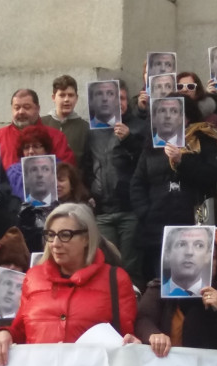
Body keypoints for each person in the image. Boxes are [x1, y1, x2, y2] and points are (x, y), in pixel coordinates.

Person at [0, 204, 138, 366]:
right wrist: (4, 333)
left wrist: (133, 343)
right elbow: (21, 330)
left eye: (65, 235)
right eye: (50, 235)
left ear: (86, 238)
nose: (55, 243)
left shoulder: (116, 279)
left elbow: (126, 338)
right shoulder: (33, 277)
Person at [133, 95, 217, 282]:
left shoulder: (204, 138)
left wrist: (182, 160)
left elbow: (213, 175)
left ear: (187, 117)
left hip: (193, 224)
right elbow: (137, 183)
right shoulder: (152, 146)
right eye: (163, 112)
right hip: (157, 228)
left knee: (193, 282)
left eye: (174, 112)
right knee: (160, 284)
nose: (168, 117)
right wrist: (145, 212)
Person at [137, 228, 217, 354]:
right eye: (184, 248)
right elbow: (143, 319)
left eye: (212, 257)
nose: (194, 258)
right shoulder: (160, 290)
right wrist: (153, 335)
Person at [87, 82, 147, 288]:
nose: (117, 103)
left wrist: (129, 139)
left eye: (121, 98)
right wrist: (88, 193)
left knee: (130, 265)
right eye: (113, 98)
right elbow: (86, 165)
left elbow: (146, 160)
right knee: (107, 265)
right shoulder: (93, 131)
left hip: (129, 209)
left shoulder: (139, 126)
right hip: (103, 211)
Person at [0, 89, 75, 172]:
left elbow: (67, 173)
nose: (21, 112)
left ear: (37, 109)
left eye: (27, 107)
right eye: (17, 108)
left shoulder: (56, 137)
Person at [40, 74, 89, 166]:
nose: (66, 99)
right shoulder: (41, 124)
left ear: (76, 98)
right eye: (62, 95)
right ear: (54, 98)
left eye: (70, 95)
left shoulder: (85, 128)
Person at [161, 226, 213, 297]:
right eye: (181, 244)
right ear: (167, 253)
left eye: (199, 245)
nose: (189, 252)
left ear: (208, 255)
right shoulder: (154, 295)